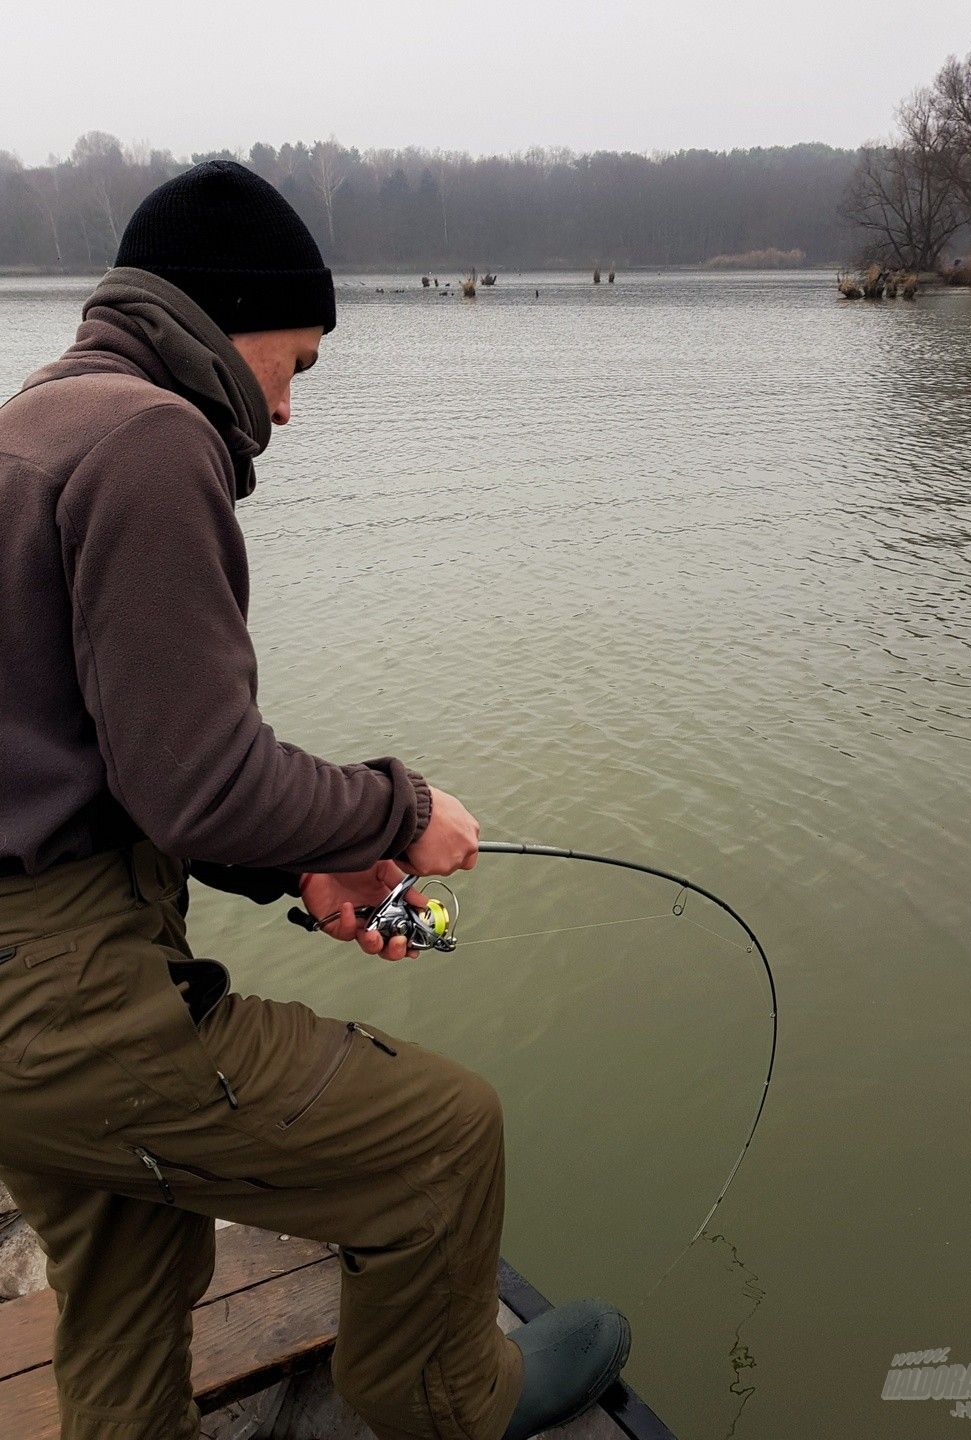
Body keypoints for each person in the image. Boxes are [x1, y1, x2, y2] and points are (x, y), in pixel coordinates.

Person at [0, 161, 629, 1440]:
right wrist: (399, 813)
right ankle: (446, 1397)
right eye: (295, 363)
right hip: (56, 1002)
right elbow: (202, 780)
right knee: (447, 1136)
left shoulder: (34, 423)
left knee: (125, 1271)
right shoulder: (152, 437)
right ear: (225, 317)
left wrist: (303, 866)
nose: (284, 410)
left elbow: (92, 756)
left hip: (21, 1010)